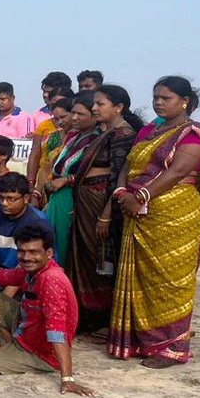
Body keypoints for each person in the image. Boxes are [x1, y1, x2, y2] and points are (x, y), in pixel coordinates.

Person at [109, 76, 200, 368]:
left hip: (175, 215)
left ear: (185, 102)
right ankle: (141, 341)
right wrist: (122, 191)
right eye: (155, 96)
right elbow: (129, 165)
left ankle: (171, 347)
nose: (158, 102)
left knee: (169, 280)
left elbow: (179, 170)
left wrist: (141, 195)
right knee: (141, 277)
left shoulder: (194, 133)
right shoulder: (148, 130)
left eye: (165, 98)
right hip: (139, 213)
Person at [0, 225, 94, 396]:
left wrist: (67, 379)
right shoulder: (30, 271)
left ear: (49, 253)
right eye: (22, 251)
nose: (26, 257)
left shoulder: (52, 279)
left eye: (33, 252)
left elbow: (56, 330)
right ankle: (10, 346)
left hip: (44, 351)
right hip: (27, 325)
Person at [67, 85, 141, 333]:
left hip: (102, 205)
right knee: (87, 260)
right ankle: (87, 315)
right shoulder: (105, 133)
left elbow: (120, 177)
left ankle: (102, 317)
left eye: (100, 104)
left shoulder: (123, 135)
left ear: (119, 107)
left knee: (101, 260)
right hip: (88, 203)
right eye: (94, 105)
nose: (95, 109)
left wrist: (106, 214)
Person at [40, 93, 100, 264]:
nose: (74, 118)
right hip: (58, 197)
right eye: (73, 113)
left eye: (80, 114)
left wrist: (67, 180)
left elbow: (94, 172)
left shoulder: (96, 139)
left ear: (93, 116)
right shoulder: (74, 136)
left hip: (73, 197)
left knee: (65, 247)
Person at [28, 95, 74, 204]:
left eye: (63, 117)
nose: (60, 122)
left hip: (70, 193)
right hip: (47, 190)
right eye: (56, 119)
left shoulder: (83, 138)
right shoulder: (53, 136)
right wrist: (36, 192)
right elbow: (46, 168)